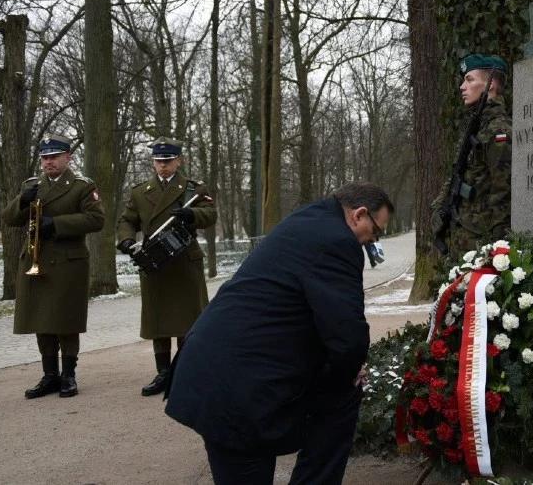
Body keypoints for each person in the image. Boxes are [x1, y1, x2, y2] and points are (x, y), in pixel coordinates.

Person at [165, 181, 390, 485]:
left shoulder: (310, 218)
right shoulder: (338, 241)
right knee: (343, 393)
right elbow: (347, 336)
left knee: (338, 392)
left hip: (215, 368)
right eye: (376, 231)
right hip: (238, 388)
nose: (373, 240)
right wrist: (346, 375)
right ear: (359, 214)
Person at [1, 133, 105, 399]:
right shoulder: (32, 185)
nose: (49, 162)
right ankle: (50, 375)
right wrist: (23, 200)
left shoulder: (82, 186)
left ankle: (68, 375)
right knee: (41, 319)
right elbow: (10, 219)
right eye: (45, 158)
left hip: (68, 262)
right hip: (37, 260)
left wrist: (57, 225)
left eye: (54, 157)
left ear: (68, 157)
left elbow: (95, 219)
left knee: (65, 320)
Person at [116, 138, 216, 397]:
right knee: (158, 321)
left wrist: (192, 215)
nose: (163, 166)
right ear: (153, 163)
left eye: (168, 161)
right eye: (159, 162)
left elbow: (210, 214)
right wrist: (126, 240)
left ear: (178, 161)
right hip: (155, 262)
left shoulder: (193, 189)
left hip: (184, 261)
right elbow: (127, 220)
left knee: (187, 320)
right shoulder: (140, 192)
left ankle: (184, 372)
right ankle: (163, 373)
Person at [430, 54, 512, 257]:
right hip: (462, 238)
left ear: (491, 84)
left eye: (470, 79)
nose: (462, 87)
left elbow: (503, 193)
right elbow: (457, 172)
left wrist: (496, 251)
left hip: (481, 244)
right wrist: (440, 207)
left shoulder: (498, 129)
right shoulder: (476, 125)